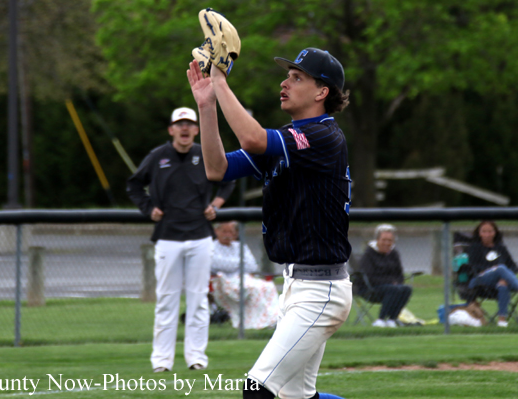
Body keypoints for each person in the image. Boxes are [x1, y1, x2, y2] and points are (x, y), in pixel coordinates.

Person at [187, 46, 352, 399]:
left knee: (256, 389)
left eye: (297, 78)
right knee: (297, 397)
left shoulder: (324, 136)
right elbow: (217, 169)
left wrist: (219, 80)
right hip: (297, 286)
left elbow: (251, 138)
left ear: (322, 92)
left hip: (321, 291)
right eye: (287, 76)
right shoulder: (290, 141)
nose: (284, 83)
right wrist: (207, 106)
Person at [126, 107, 236, 373]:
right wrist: (148, 208)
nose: (185, 129)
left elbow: (227, 179)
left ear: (197, 129)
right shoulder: (158, 157)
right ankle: (161, 362)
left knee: (198, 300)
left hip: (200, 236)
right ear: (171, 129)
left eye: (189, 124)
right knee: (166, 300)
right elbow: (134, 184)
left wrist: (217, 204)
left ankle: (196, 358)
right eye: (180, 124)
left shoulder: (204, 154)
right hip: (168, 237)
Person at [465, 220, 518, 327]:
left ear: (495, 233)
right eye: (484, 231)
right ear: (479, 233)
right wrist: (492, 269)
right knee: (501, 268)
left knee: (503, 284)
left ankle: (502, 321)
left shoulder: (500, 248)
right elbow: (472, 266)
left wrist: (503, 277)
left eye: (490, 231)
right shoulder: (475, 248)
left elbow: (512, 266)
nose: (487, 234)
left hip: (498, 282)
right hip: (479, 280)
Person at [211, 221, 279, 330]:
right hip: (224, 281)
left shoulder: (240, 246)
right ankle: (258, 323)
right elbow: (215, 264)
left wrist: (231, 264)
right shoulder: (211, 247)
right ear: (216, 231)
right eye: (224, 231)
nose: (227, 235)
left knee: (268, 286)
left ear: (235, 234)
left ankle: (273, 319)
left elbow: (252, 266)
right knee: (254, 289)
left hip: (245, 278)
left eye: (231, 232)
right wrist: (241, 262)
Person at [357, 224, 413, 328]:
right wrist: (391, 282)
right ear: (377, 239)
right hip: (370, 289)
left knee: (406, 289)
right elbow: (369, 277)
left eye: (390, 240)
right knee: (393, 289)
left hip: (390, 288)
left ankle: (392, 319)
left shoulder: (394, 253)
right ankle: (380, 320)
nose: (387, 243)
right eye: (384, 240)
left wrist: (397, 283)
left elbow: (399, 274)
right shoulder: (368, 254)